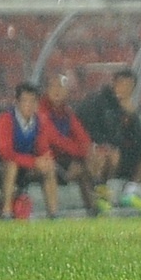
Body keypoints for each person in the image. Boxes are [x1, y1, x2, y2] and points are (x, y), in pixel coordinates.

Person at [76, 69, 141, 213]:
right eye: (122, 84)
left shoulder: (127, 108)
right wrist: (106, 144)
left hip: (121, 152)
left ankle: (130, 192)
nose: (125, 89)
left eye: (129, 86)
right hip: (99, 151)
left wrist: (132, 116)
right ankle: (101, 193)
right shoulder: (97, 102)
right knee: (110, 154)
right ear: (114, 84)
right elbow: (87, 129)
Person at [0, 82, 62, 218]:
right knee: (11, 165)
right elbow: (5, 152)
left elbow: (43, 147)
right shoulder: (5, 118)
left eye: (33, 101)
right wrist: (34, 162)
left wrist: (45, 160)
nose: (29, 105)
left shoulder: (39, 121)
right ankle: (6, 211)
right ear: (17, 102)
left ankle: (53, 212)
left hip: (25, 164)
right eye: (25, 101)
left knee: (49, 168)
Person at [41, 74, 101, 216]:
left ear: (67, 91)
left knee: (92, 160)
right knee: (83, 167)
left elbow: (82, 137)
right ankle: (54, 214)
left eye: (60, 87)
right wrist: (82, 152)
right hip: (44, 157)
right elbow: (55, 140)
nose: (57, 90)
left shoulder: (66, 112)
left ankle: (95, 209)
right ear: (46, 90)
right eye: (53, 86)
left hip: (62, 156)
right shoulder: (41, 110)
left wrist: (88, 151)